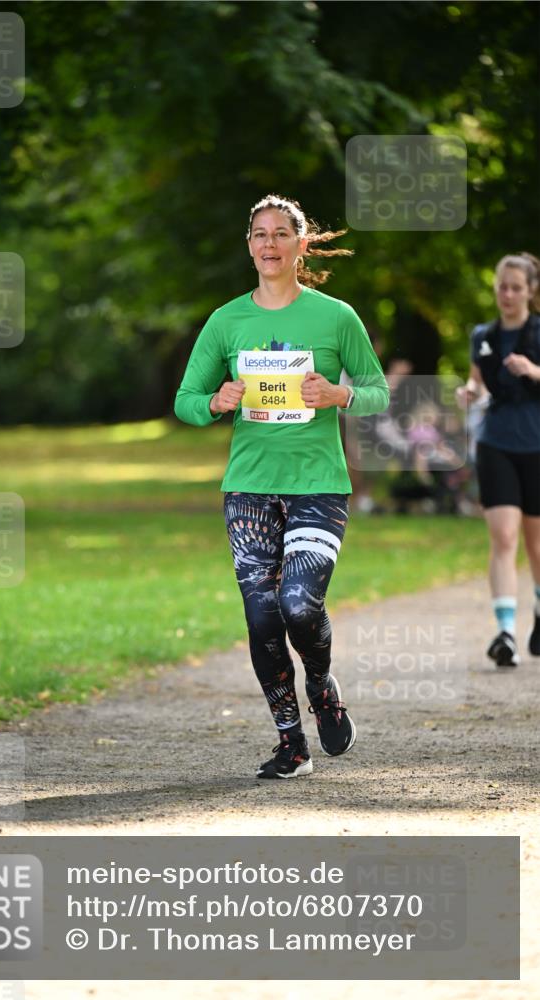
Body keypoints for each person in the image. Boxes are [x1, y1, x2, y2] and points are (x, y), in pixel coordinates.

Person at [174, 194, 389, 778]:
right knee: (263, 618)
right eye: (259, 235)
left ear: (300, 245)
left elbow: (379, 392)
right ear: (250, 246)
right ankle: (291, 743)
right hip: (248, 488)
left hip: (319, 483)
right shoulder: (227, 321)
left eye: (280, 234)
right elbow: (186, 402)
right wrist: (215, 402)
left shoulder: (335, 316)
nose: (269, 244)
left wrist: (340, 394)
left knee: (298, 604)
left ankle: (321, 686)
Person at [456, 252, 540, 667]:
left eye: (516, 288)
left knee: (536, 543)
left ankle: (538, 610)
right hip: (496, 444)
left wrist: (533, 370)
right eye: (502, 287)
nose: (507, 295)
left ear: (530, 291)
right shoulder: (482, 335)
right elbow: (477, 378)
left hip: (538, 445)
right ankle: (505, 632)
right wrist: (470, 391)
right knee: (504, 538)